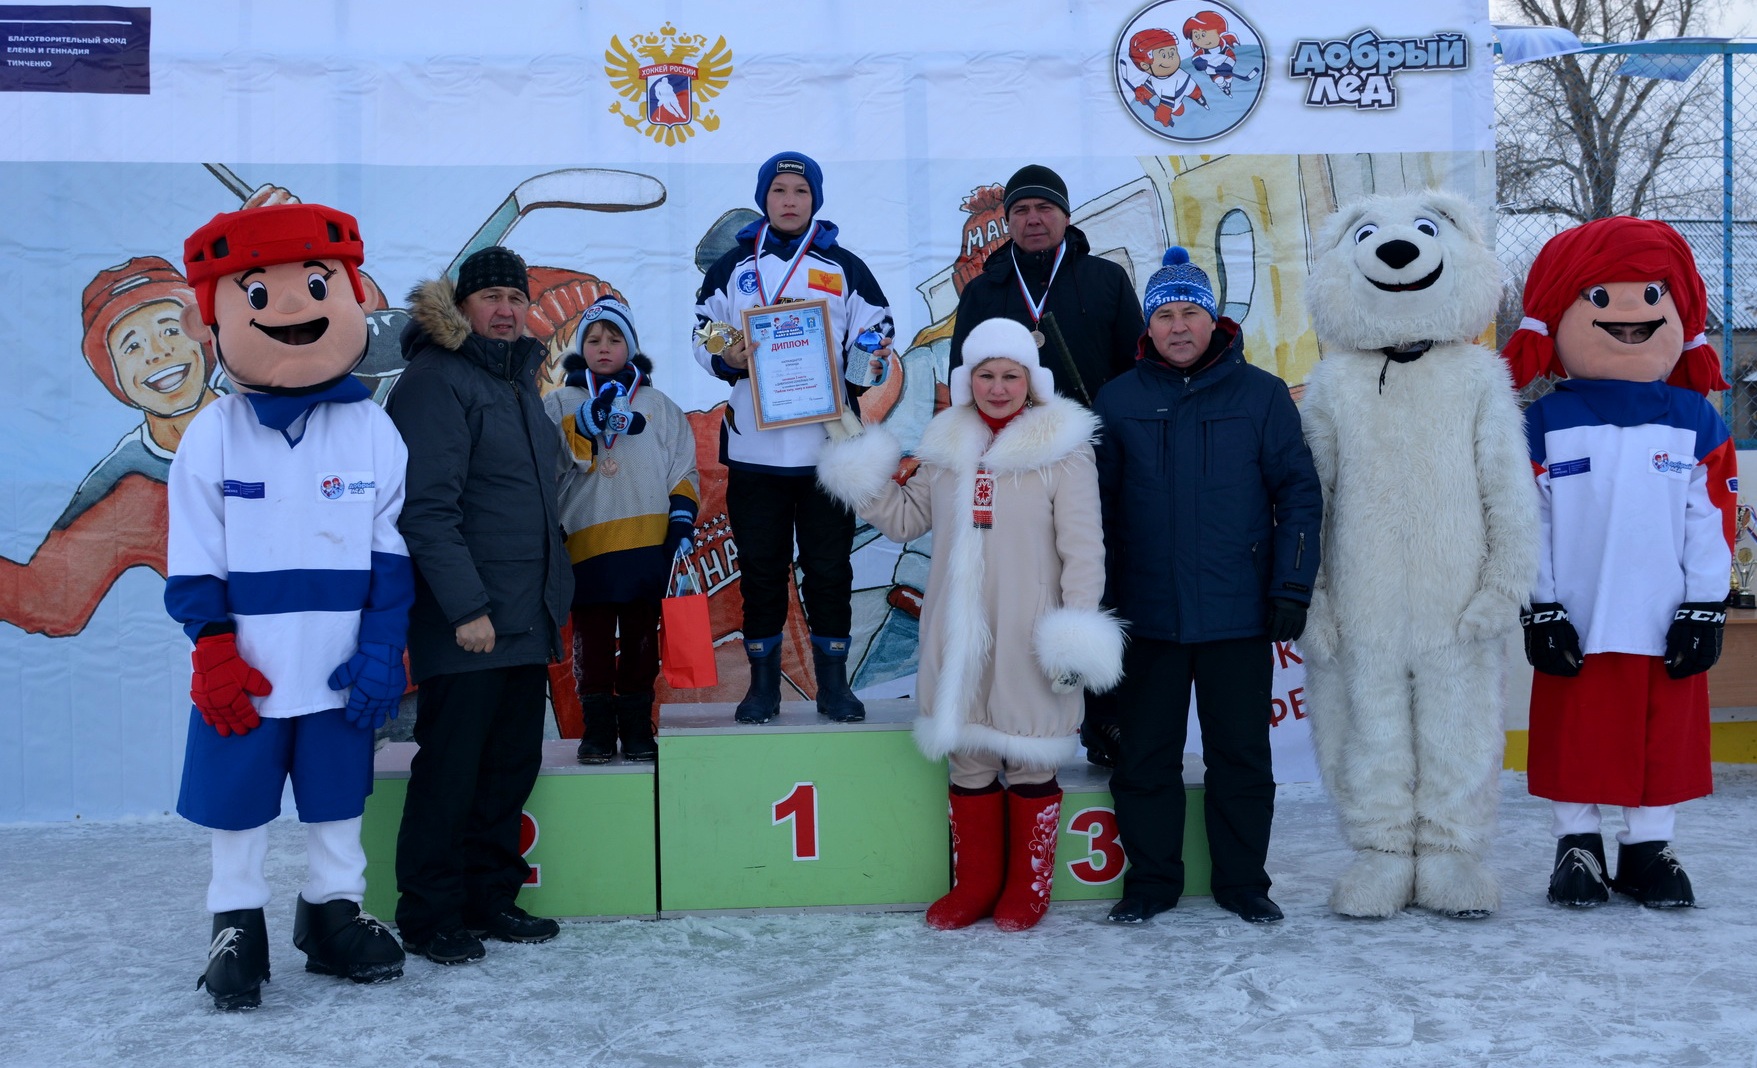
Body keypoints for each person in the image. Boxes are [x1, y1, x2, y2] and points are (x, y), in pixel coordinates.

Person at [166, 203, 410, 1009]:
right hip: (250, 668)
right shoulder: (212, 435)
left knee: (338, 796)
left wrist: (381, 645)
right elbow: (195, 558)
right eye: (261, 295)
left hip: (340, 663)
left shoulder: (373, 432)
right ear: (218, 318)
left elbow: (388, 550)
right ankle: (234, 921)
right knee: (237, 798)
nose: (299, 309)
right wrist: (213, 649)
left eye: (316, 285)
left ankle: (333, 912)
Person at [816, 317, 1123, 931]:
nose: (999, 386)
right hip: (957, 634)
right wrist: (855, 457)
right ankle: (977, 884)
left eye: (1011, 375)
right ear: (968, 379)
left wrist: (1075, 631)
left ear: (1031, 380)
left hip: (1030, 632)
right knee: (970, 761)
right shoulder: (947, 442)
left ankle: (1026, 890)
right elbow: (904, 521)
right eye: (987, 374)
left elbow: (1084, 551)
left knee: (1031, 759)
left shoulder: (1064, 448)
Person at [1503, 217, 1736, 909]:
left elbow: (1709, 521)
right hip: (1576, 614)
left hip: (1665, 617)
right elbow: (1527, 521)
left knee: (1663, 736)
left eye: (1649, 295)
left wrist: (1704, 604)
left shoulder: (1695, 420)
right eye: (1599, 298)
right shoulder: (1540, 423)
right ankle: (1577, 845)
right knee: (1574, 733)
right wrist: (1538, 604)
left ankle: (1647, 848)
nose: (1628, 314)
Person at [1094, 248, 1321, 926]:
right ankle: (1152, 883)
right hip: (1147, 616)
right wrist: (1098, 602)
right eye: (1164, 314)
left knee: (1241, 758)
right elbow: (1093, 514)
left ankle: (1243, 882)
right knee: (1145, 761)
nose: (1178, 326)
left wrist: (1291, 587)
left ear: (1214, 318)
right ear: (1148, 327)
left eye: (1190, 310)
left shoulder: (1260, 395)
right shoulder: (1118, 398)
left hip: (1238, 613)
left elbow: (1298, 494)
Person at [387, 245, 573, 964]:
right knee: (451, 771)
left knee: (506, 767)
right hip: (467, 623)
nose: (505, 310)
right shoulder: (435, 382)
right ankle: (430, 915)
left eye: (514, 298)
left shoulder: (519, 382)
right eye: (490, 296)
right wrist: (466, 609)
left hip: (523, 618)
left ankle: (490, 897)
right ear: (460, 306)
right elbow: (426, 511)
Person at [946, 163, 1145, 768]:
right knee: (1025, 591)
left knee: (1097, 583)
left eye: (1045, 209)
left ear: (1065, 215)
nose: (1033, 219)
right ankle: (1014, 716)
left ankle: (1106, 721)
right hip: (1014, 470)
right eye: (1021, 211)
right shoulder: (985, 289)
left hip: (1093, 462)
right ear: (1007, 222)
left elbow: (1136, 372)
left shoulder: (1106, 280)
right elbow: (963, 381)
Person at [693, 150, 894, 725]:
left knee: (831, 569)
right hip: (756, 450)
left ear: (815, 201)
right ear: (764, 198)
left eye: (799, 193)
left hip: (826, 451)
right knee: (760, 569)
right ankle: (762, 688)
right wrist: (724, 353)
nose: (788, 201)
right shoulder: (733, 266)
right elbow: (703, 329)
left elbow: (877, 325)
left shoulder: (842, 265)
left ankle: (835, 685)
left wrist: (865, 357)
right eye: (778, 190)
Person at [542, 296, 700, 763]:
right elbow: (544, 470)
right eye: (593, 339)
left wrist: (681, 521)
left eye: (614, 339)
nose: (604, 347)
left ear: (630, 346)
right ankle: (596, 732)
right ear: (581, 348)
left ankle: (635, 728)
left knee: (640, 639)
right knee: (590, 641)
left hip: (647, 544)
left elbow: (684, 469)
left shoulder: (657, 404)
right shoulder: (560, 403)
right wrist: (581, 429)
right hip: (586, 544)